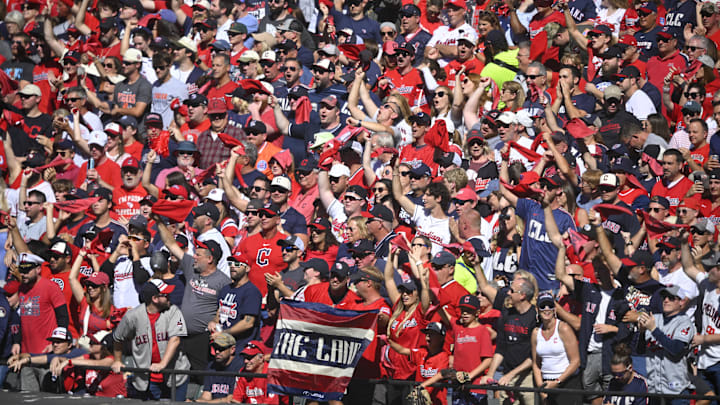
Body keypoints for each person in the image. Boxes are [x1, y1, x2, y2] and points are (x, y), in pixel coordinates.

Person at [111, 279, 191, 401]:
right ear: (155, 299)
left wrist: (162, 364)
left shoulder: (173, 311)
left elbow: (175, 339)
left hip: (175, 376)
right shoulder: (133, 315)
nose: (169, 297)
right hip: (146, 378)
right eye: (165, 295)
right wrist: (117, 360)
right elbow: (118, 337)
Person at [638, 285, 696, 405]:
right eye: (664, 297)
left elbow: (676, 349)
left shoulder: (685, 322)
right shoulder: (654, 318)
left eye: (671, 298)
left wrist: (654, 329)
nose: (666, 300)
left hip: (676, 390)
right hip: (654, 389)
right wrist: (642, 332)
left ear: (681, 302)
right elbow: (640, 350)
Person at [531, 291, 582, 405]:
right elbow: (536, 363)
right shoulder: (536, 332)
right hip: (546, 383)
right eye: (543, 306)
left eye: (550, 305)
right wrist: (541, 388)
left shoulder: (564, 328)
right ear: (537, 310)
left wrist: (558, 381)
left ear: (555, 309)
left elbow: (575, 361)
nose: (547, 309)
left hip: (566, 382)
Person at [195, 332, 244, 402]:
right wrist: (195, 402)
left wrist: (208, 403)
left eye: (221, 348)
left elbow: (232, 399)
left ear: (232, 349)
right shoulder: (211, 366)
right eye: (215, 348)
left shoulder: (240, 366)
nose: (217, 351)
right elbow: (206, 395)